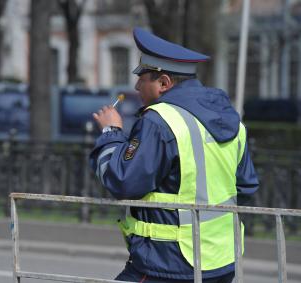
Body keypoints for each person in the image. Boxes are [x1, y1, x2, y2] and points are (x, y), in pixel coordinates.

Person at [90, 27, 259, 283]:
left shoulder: (160, 121)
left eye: (142, 78)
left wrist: (111, 132)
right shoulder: (230, 118)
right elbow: (245, 188)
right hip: (222, 260)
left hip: (168, 263)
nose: (136, 86)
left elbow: (122, 180)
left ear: (164, 83)